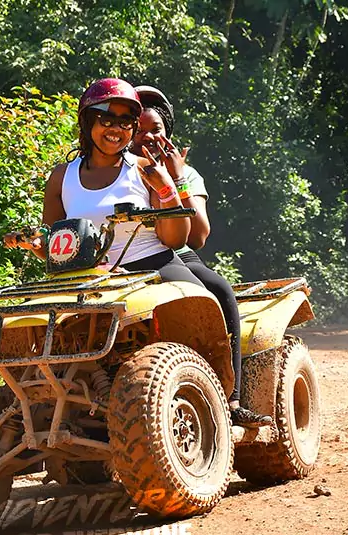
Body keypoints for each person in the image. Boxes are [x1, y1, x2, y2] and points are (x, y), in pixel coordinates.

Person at [130, 85, 272, 428]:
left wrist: (176, 177)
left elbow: (199, 235)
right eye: (139, 130)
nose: (147, 137)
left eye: (156, 130)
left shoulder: (186, 173)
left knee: (219, 291)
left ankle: (232, 398)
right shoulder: (121, 171)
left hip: (176, 254)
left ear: (168, 134)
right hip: (126, 258)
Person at [4, 77, 205, 288]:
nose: (116, 129)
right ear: (87, 121)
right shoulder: (61, 176)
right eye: (107, 120)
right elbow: (54, 248)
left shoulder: (146, 168)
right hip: (88, 277)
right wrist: (33, 242)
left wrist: (167, 190)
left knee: (201, 303)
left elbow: (175, 241)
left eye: (126, 122)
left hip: (155, 266)